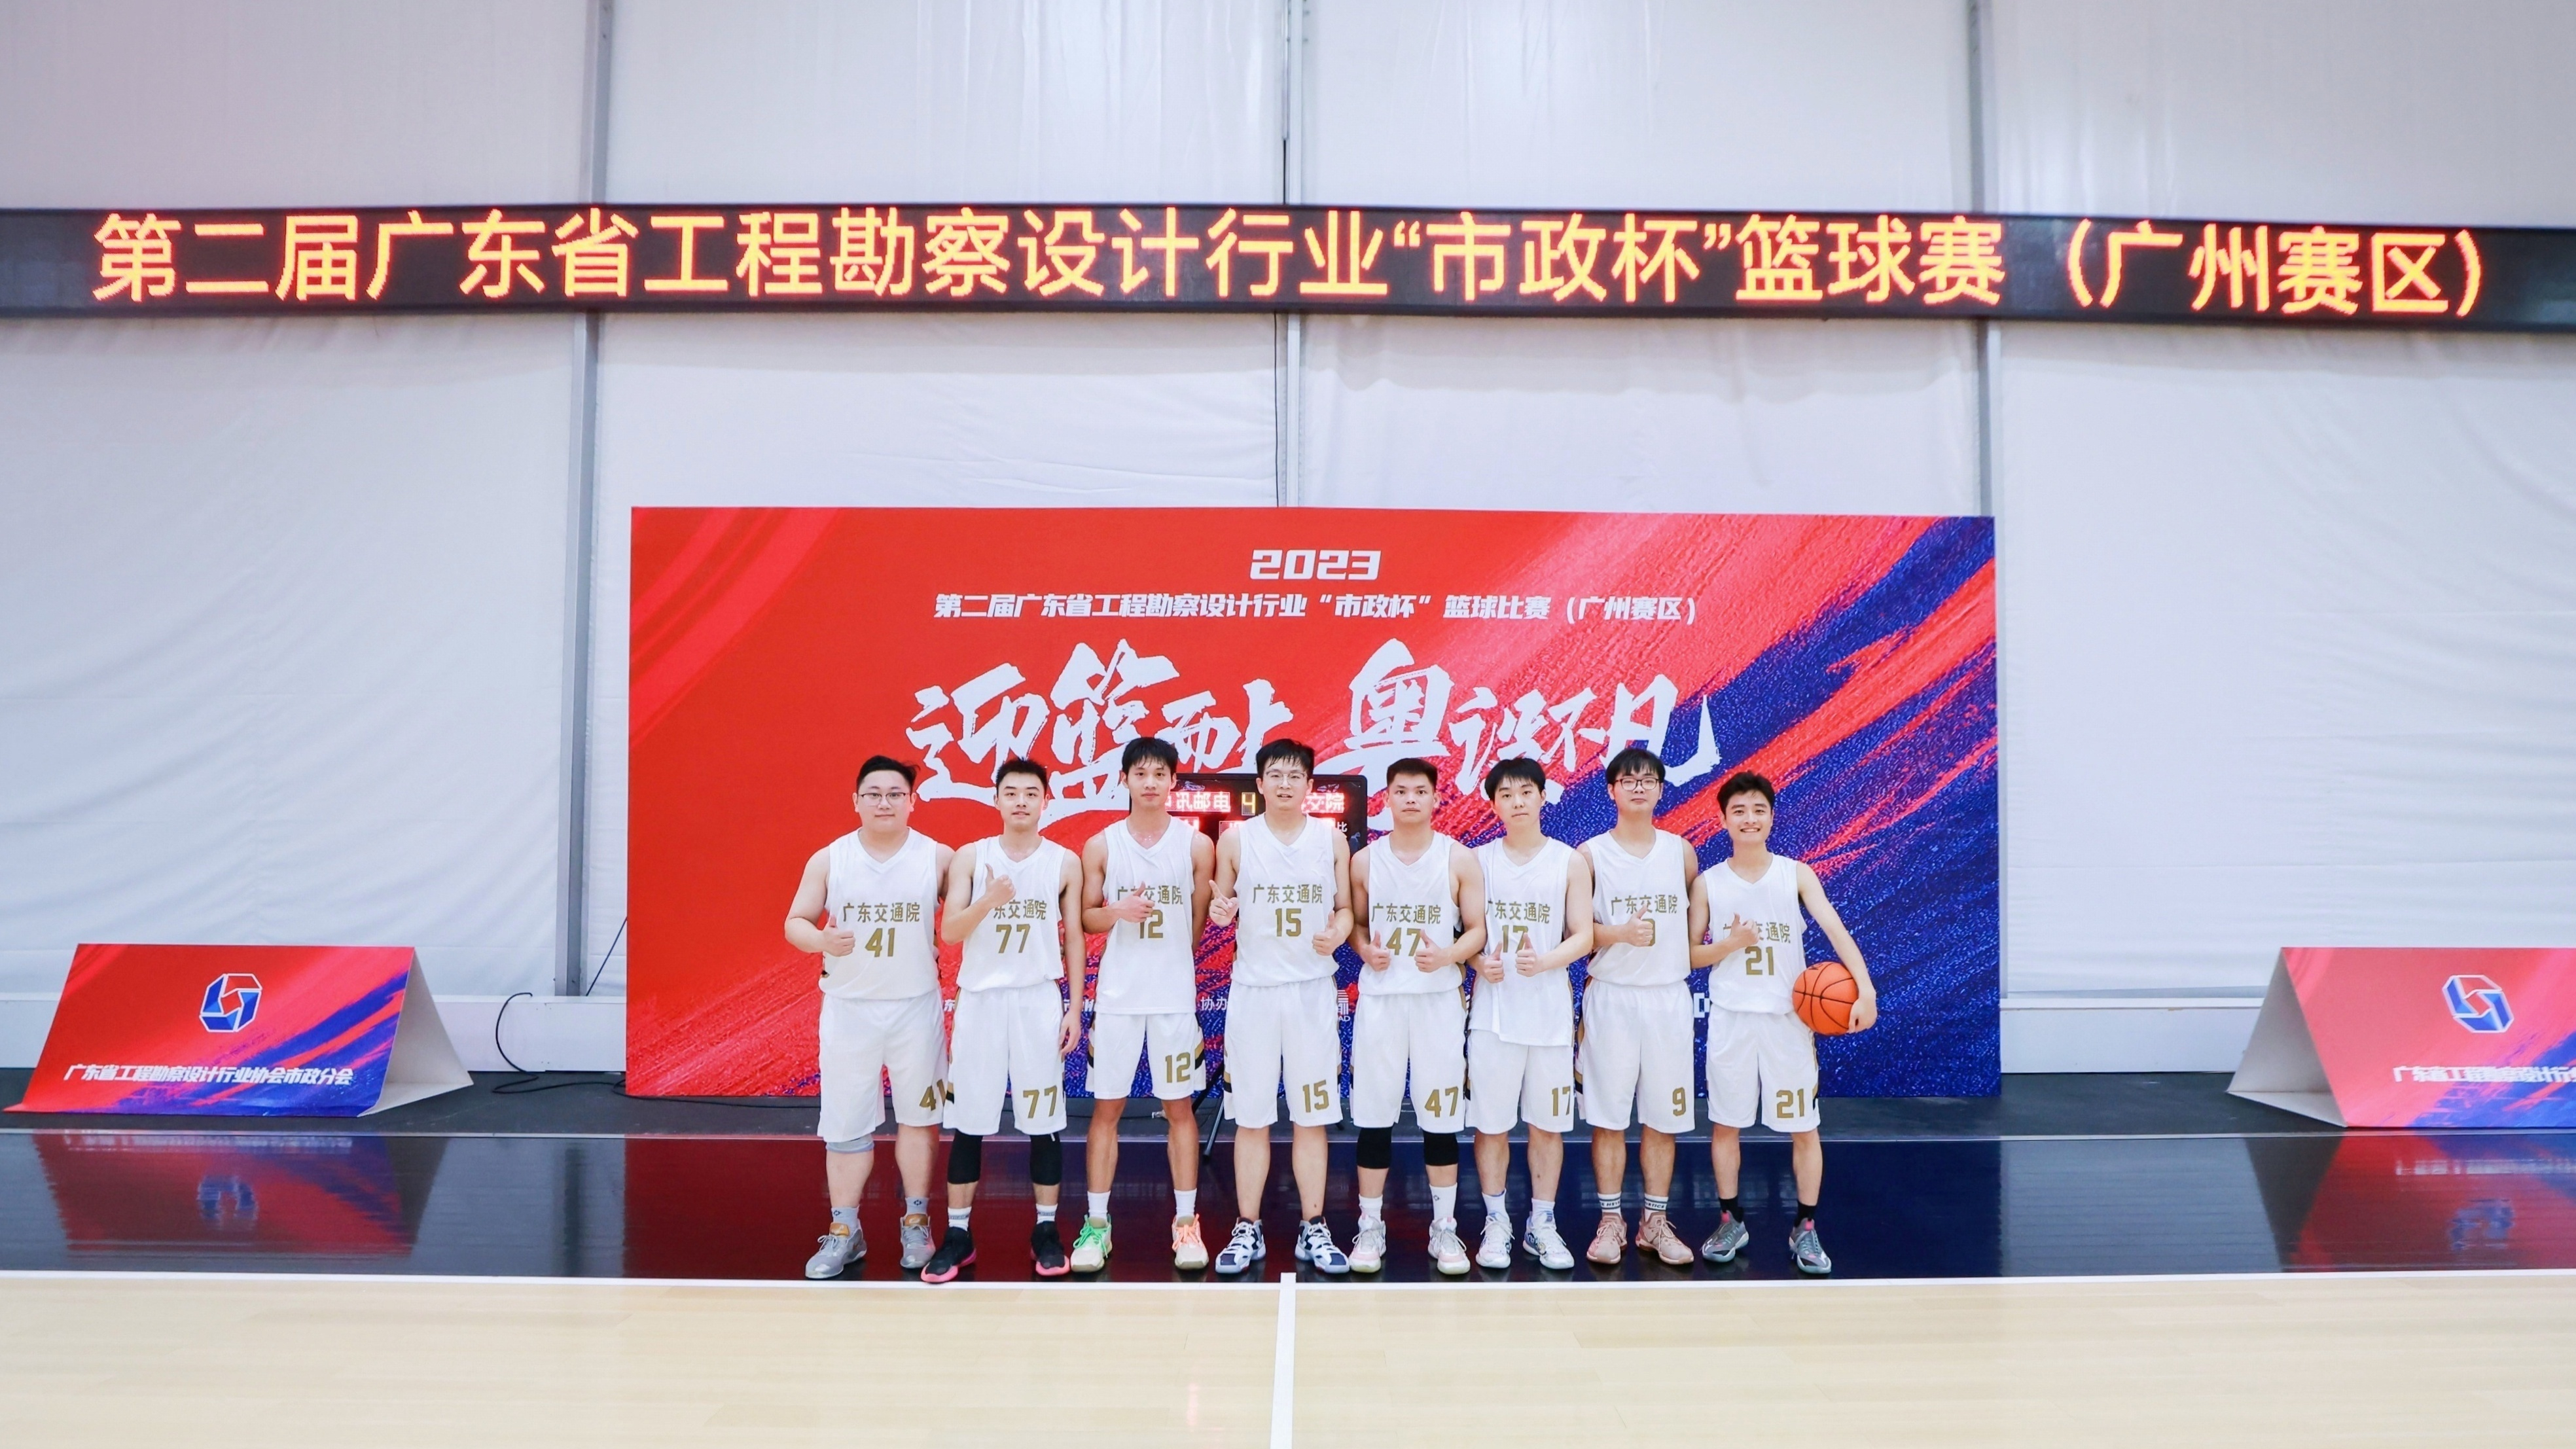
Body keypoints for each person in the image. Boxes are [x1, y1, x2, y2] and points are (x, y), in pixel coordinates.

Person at [1691, 770, 1878, 1276]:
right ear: (1723, 820)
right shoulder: (1708, 882)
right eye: (1739, 811)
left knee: (1804, 1128)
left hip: (1788, 1021)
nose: (1749, 819)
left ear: (1772, 817)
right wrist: (1730, 944)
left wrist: (1865, 989)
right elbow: (1688, 954)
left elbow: (1835, 929)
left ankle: (1806, 1227)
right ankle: (1731, 1220)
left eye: (1759, 810)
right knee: (1725, 1125)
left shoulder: (1796, 874)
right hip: (1732, 1018)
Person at [784, 756, 952, 1279]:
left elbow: (967, 917)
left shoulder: (938, 857)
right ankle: (844, 1229)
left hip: (915, 1006)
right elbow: (795, 922)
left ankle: (916, 1222)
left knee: (920, 1118)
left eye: (895, 794)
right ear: (855, 801)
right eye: (873, 794)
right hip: (849, 1009)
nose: (884, 803)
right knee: (846, 1121)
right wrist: (821, 939)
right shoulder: (830, 859)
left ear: (912, 801)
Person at [921, 757, 1085, 1283]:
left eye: (1031, 793)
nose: (1020, 801)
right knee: (969, 1123)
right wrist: (990, 900)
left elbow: (1074, 938)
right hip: (982, 1001)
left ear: (1045, 801)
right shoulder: (972, 857)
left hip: (1038, 1000)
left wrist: (1074, 1006)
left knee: (1045, 1123)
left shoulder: (1064, 862)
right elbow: (951, 932)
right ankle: (958, 1234)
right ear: (996, 800)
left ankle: (1046, 1230)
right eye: (1011, 792)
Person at [1208, 739, 1353, 1276]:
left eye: (1295, 776)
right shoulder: (1236, 840)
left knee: (1311, 1117)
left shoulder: (1330, 839)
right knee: (1251, 1118)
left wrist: (1338, 932)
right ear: (1261, 784)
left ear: (1309, 786)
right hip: (1255, 992)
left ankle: (1314, 1225)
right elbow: (1221, 907)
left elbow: (1346, 910)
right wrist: (1222, 912)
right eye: (1276, 775)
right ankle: (1248, 1225)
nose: (1286, 784)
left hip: (1311, 991)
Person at [1075, 737, 1216, 1272]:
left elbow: (1197, 924)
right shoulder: (1102, 845)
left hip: (1173, 998)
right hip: (1118, 998)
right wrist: (1118, 911)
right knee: (1107, 1109)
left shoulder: (1195, 845)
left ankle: (1186, 1224)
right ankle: (1096, 1226)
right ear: (1125, 780)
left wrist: (1172, 958)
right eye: (1141, 774)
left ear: (1173, 781)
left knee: (1179, 1109)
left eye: (1160, 774)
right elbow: (1086, 918)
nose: (1151, 783)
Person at [1347, 757, 1486, 1275]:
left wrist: (1448, 955)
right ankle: (1370, 1225)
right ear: (1386, 798)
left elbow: (1478, 929)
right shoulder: (1365, 861)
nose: (1410, 799)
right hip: (1382, 1001)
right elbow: (1355, 924)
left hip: (1437, 1001)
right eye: (1401, 791)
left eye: (1420, 791)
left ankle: (1444, 1228)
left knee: (1441, 1121)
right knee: (1373, 1119)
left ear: (1435, 798)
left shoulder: (1459, 858)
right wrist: (1365, 950)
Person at [1577, 747, 1704, 1268]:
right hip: (1612, 997)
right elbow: (1574, 933)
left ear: (1660, 790)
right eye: (1627, 780)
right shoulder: (1589, 855)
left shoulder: (1681, 853)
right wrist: (1620, 934)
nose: (1638, 787)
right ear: (1611, 790)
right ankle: (1611, 1221)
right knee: (1609, 1118)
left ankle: (1655, 1221)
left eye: (1648, 780)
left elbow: (1696, 929)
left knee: (1663, 1118)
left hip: (1667, 997)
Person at [1466, 757, 1593, 1272]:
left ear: (1543, 797)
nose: (1517, 802)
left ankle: (1543, 1223)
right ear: (1494, 804)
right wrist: (1479, 962)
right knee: (1491, 1126)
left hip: (1549, 1016)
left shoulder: (1568, 862)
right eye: (1506, 794)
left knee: (1547, 1126)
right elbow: (1464, 934)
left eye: (1526, 792)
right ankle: (1496, 1221)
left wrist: (1546, 961)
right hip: (1493, 1015)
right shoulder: (1478, 861)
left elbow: (1584, 935)